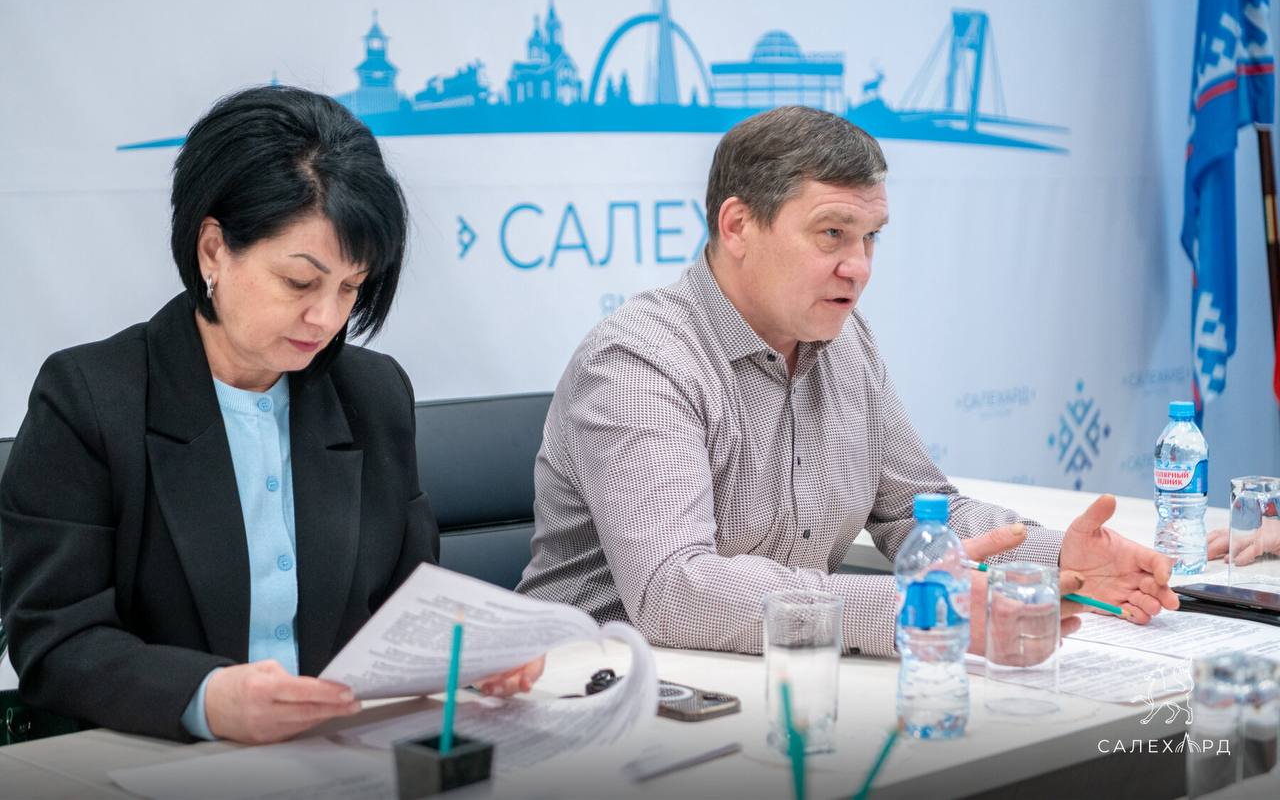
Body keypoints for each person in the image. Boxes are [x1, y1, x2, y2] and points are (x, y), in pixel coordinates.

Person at [516, 105, 1180, 658]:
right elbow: (673, 590)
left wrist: (1058, 558)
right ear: (738, 226)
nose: (858, 267)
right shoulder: (640, 361)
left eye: (870, 237)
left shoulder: (844, 341)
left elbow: (918, 511)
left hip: (778, 678)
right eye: (832, 234)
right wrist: (907, 610)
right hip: (597, 688)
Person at [0, 86, 539, 745]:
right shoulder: (88, 399)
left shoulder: (373, 394)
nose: (327, 317)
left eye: (350, 287)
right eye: (299, 282)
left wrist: (472, 649)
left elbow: (409, 605)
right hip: (157, 761)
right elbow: (55, 640)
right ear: (213, 251)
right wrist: (205, 698)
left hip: (342, 757)